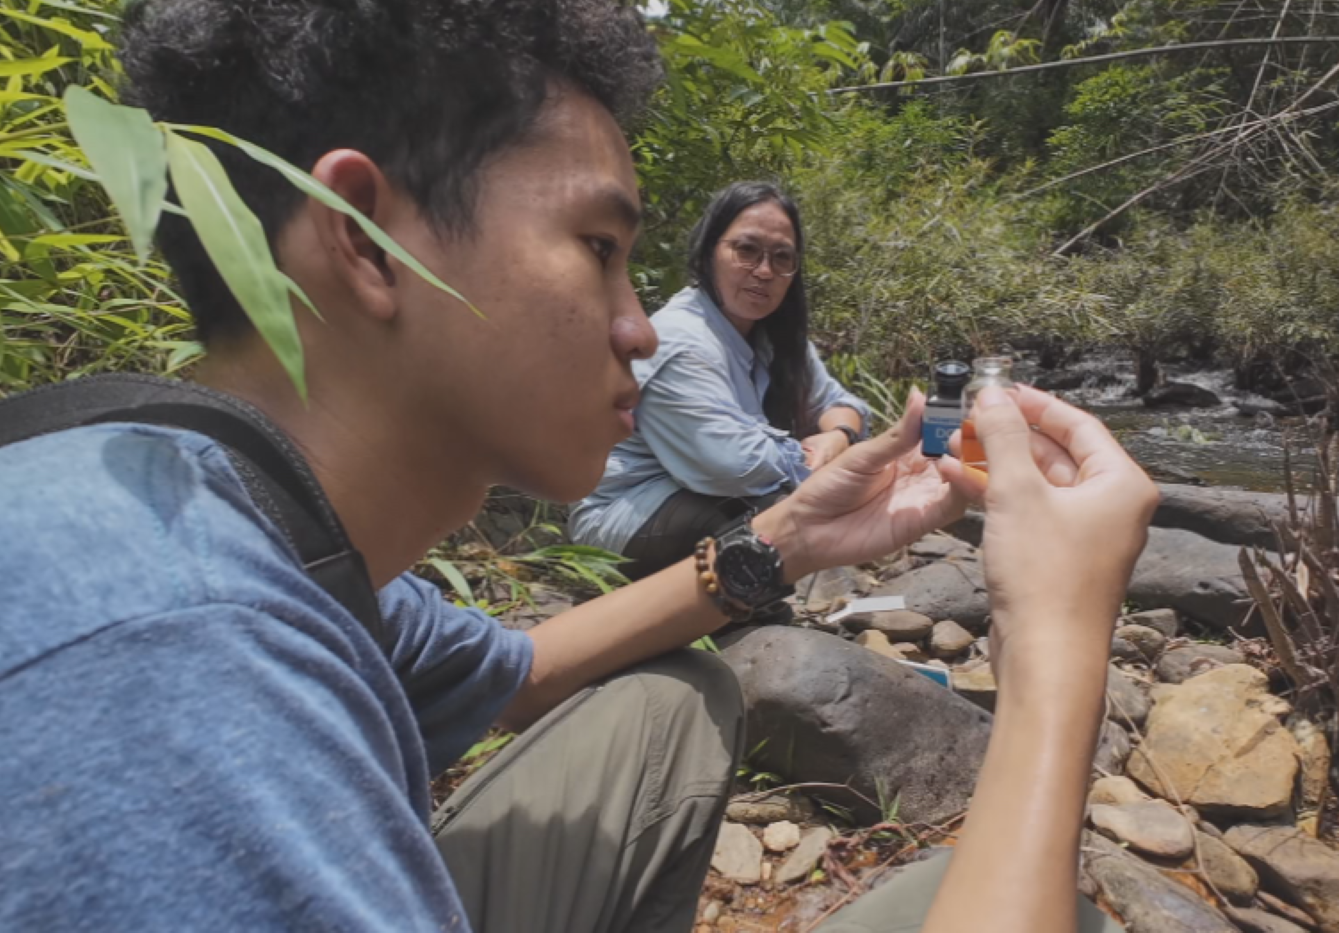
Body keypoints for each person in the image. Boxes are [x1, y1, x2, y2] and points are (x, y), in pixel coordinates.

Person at [0, 2, 1158, 933]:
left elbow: (516, 669)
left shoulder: (224, 510)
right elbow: (726, 448)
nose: (637, 327)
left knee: (669, 700)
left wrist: (792, 540)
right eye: (598, 249)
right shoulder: (172, 668)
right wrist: (1055, 649)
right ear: (363, 236)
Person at [569, 182, 871, 580]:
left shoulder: (776, 340)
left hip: (704, 498)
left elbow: (843, 405)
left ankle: (748, 619)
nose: (764, 271)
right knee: (774, 512)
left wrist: (840, 436)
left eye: (782, 257)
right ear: (710, 250)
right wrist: (814, 457)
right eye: (746, 251)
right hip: (622, 518)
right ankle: (739, 623)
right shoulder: (681, 338)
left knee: (790, 502)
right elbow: (732, 466)